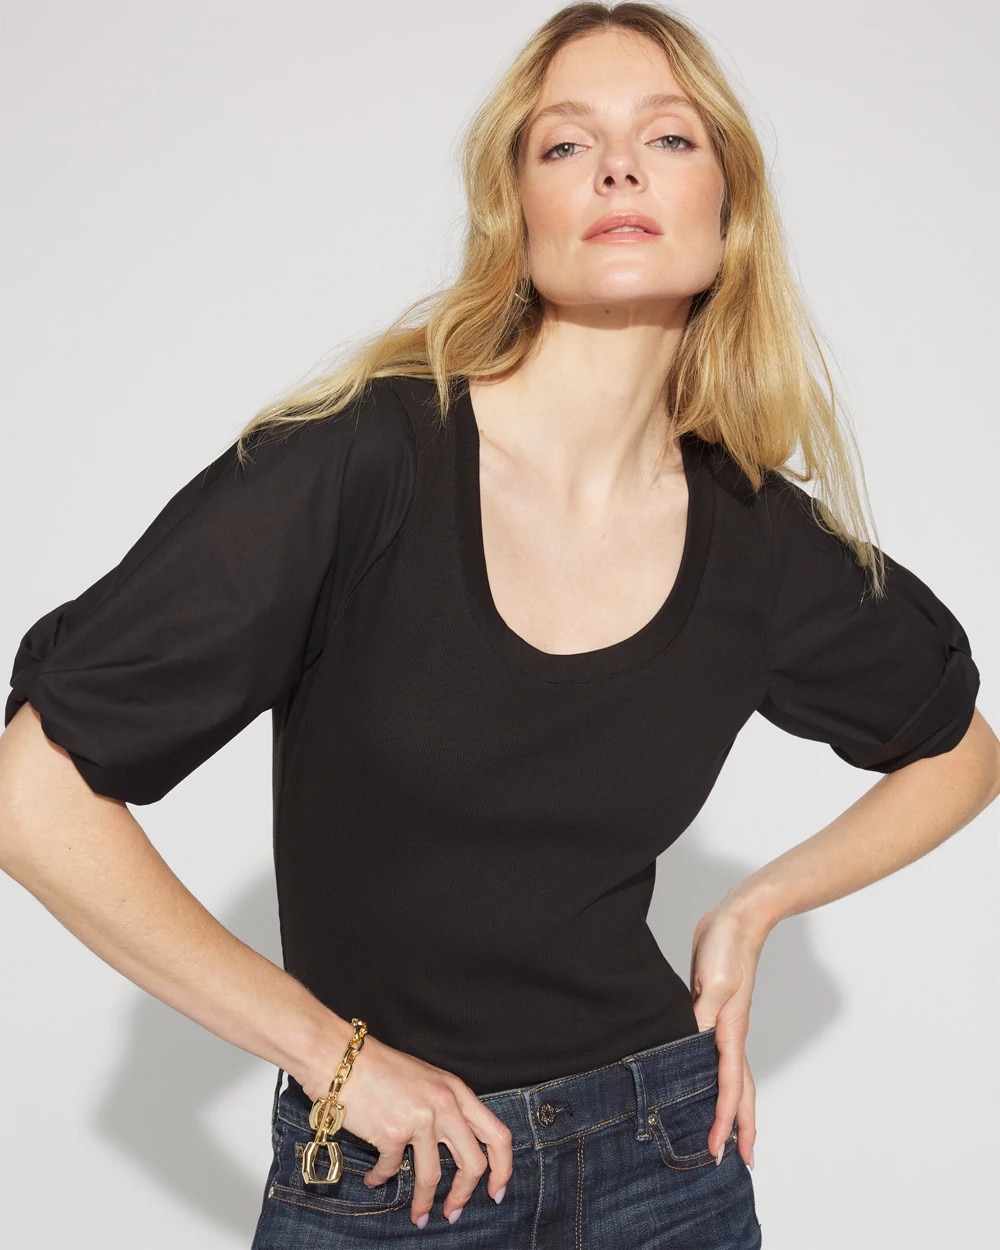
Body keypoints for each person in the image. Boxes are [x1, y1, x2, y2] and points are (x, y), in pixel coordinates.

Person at [0, 3, 996, 1248]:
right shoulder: (363, 464)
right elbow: (31, 796)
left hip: (664, 1162)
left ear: (728, 208)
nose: (619, 168)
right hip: (394, 1180)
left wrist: (755, 907)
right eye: (566, 144)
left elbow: (960, 752)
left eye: (668, 138)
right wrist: (334, 1056)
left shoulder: (753, 532)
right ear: (516, 213)